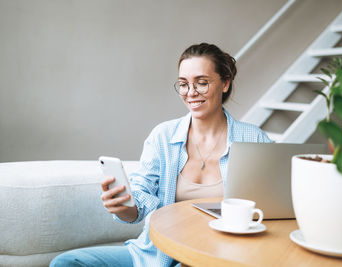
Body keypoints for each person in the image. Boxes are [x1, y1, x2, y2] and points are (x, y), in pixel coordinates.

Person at [50, 43, 272, 267]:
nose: (191, 92)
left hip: (216, 258)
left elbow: (273, 207)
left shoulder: (254, 140)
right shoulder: (163, 136)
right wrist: (124, 206)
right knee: (67, 262)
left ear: (225, 83)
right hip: (155, 255)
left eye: (202, 83)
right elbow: (139, 200)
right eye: (184, 84)